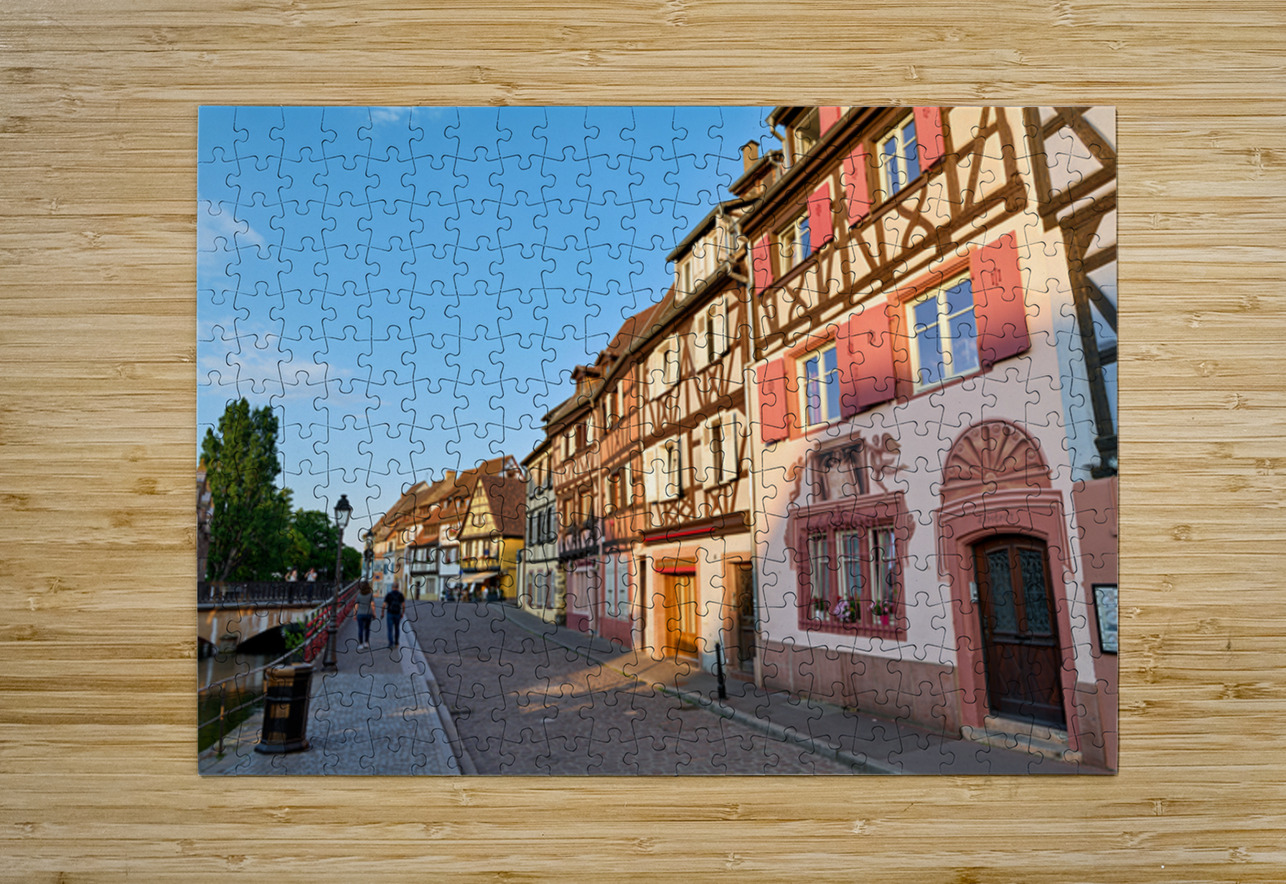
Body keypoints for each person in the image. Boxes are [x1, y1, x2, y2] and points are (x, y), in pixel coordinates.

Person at [382, 583, 406, 648]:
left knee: (390, 629)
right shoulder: (400, 595)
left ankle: (390, 643)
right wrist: (402, 613)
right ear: (398, 587)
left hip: (390, 613)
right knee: (397, 629)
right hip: (397, 613)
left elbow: (384, 605)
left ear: (392, 587)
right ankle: (396, 643)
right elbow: (403, 605)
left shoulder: (389, 594)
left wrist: (382, 613)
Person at [353, 581, 375, 650]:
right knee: (367, 628)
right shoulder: (370, 595)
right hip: (368, 614)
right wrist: (374, 613)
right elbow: (372, 605)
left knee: (360, 629)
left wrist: (354, 614)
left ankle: (361, 644)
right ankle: (366, 643)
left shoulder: (359, 595)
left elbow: (356, 605)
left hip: (360, 614)